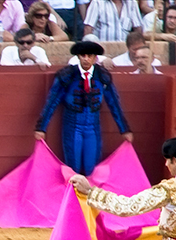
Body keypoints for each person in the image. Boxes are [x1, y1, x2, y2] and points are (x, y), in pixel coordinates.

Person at [34, 40, 134, 175]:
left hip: (93, 127)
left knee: (91, 169)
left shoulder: (102, 76)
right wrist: (41, 127)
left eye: (89, 56)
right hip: (72, 126)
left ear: (95, 58)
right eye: (83, 55)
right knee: (73, 168)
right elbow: (52, 102)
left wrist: (125, 129)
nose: (86, 59)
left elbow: (114, 104)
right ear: (78, 57)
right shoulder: (67, 76)